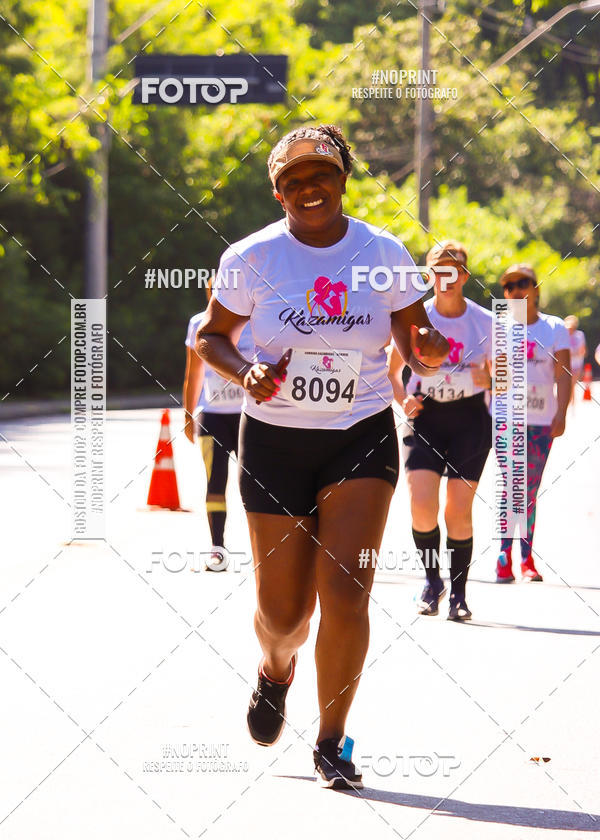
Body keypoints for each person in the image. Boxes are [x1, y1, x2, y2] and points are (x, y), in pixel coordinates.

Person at [196, 124, 449, 789]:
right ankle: (276, 669)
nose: (308, 189)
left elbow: (413, 329)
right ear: (277, 191)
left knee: (347, 591)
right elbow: (212, 339)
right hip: (275, 441)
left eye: (320, 175)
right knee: (284, 616)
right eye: (292, 181)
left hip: (359, 434)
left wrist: (426, 344)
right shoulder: (250, 258)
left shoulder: (382, 251)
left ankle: (332, 740)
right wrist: (246, 369)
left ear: (343, 179)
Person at [389, 240, 493, 622]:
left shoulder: (486, 321)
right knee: (421, 507)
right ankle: (433, 582)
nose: (446, 277)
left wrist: (493, 378)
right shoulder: (415, 317)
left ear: (464, 276)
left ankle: (459, 596)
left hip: (469, 420)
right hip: (426, 417)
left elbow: (508, 376)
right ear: (428, 274)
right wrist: (403, 400)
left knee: (458, 512)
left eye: (454, 270)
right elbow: (391, 375)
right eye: (438, 269)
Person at [495, 264, 571, 583]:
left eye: (522, 283)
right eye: (509, 286)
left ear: (536, 289)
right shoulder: (499, 326)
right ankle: (504, 558)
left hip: (541, 421)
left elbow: (564, 375)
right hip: (505, 420)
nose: (515, 291)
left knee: (527, 489)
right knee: (511, 484)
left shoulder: (554, 328)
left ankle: (526, 560)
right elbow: (492, 376)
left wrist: (562, 413)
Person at [183, 293, 254, 570]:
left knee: (258, 485)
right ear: (208, 292)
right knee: (215, 482)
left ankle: (266, 548)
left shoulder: (256, 321)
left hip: (250, 417)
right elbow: (194, 372)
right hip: (212, 417)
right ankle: (217, 549)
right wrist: (189, 415)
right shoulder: (199, 323)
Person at [564, 315, 586, 406]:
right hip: (566, 365)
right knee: (569, 385)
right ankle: (570, 403)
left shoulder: (579, 335)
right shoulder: (563, 335)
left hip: (577, 365)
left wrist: (573, 353)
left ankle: (571, 404)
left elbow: (582, 350)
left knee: (572, 385)